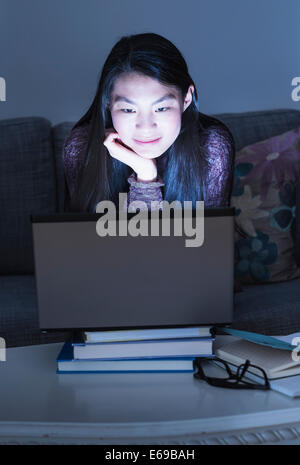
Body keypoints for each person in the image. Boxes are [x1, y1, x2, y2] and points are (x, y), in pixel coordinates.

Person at [63, 32, 235, 213]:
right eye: (129, 110)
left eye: (161, 108)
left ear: (186, 99)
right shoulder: (81, 147)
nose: (146, 127)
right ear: (108, 103)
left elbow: (212, 238)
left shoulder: (211, 148)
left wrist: (146, 182)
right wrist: (145, 176)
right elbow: (85, 239)